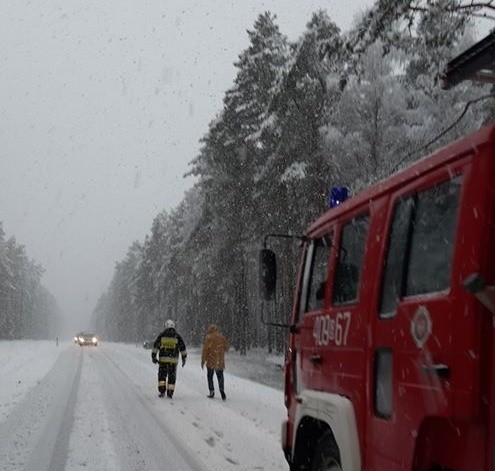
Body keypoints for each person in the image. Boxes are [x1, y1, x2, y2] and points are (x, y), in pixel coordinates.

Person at [151, 319, 187, 398]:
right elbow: (183, 348)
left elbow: (155, 347)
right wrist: (184, 358)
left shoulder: (162, 335)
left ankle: (162, 391)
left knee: (162, 376)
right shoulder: (177, 336)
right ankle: (170, 392)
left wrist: (153, 356)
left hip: (163, 361)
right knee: (172, 377)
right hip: (173, 362)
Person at [201, 324, 229, 400]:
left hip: (210, 361)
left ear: (209, 330)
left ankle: (212, 391)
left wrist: (203, 361)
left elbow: (205, 350)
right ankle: (221, 389)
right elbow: (227, 348)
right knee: (220, 377)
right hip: (219, 361)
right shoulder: (221, 337)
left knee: (210, 377)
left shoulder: (208, 338)